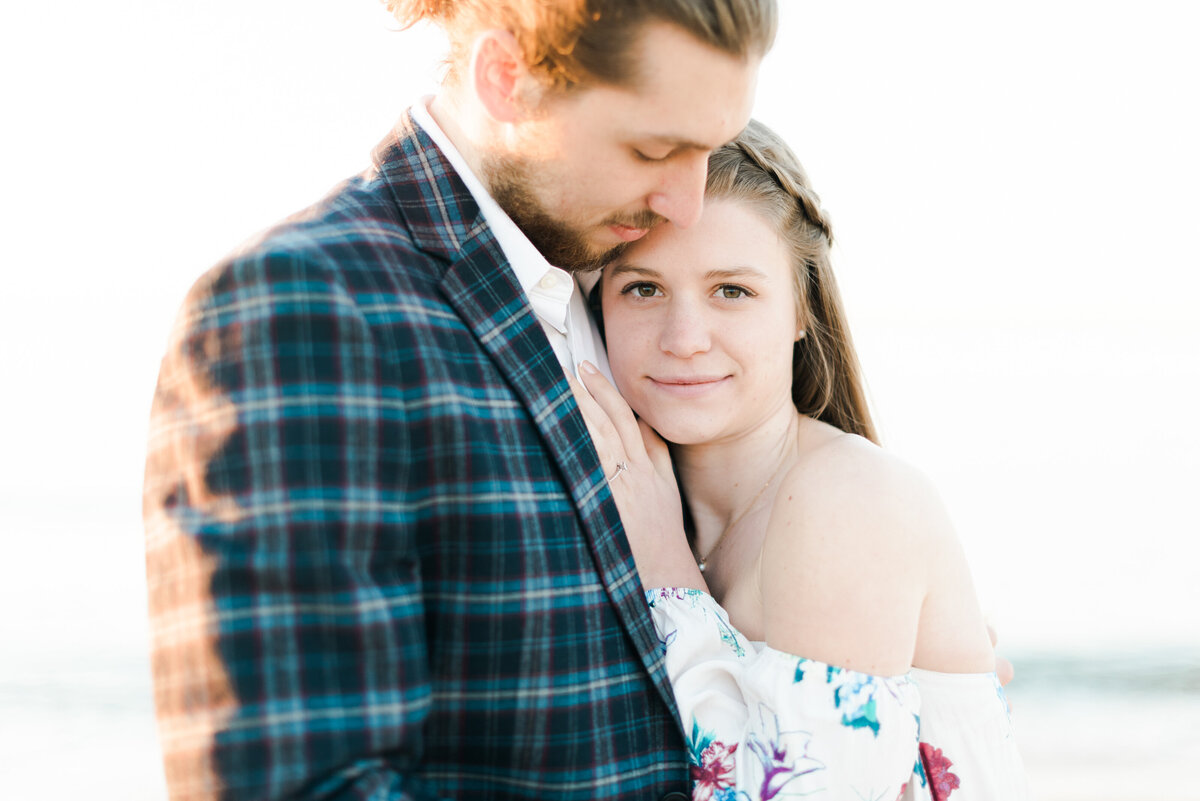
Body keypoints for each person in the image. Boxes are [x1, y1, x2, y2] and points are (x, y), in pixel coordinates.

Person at [141, 2, 777, 799]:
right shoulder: (304, 304)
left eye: (710, 149)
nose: (687, 202)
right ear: (506, 78)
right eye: (653, 148)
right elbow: (304, 783)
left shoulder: (628, 300)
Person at [571, 119, 1030, 799]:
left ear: (799, 310)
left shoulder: (846, 499)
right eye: (643, 287)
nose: (685, 337)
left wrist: (668, 575)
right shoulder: (649, 504)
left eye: (733, 290)